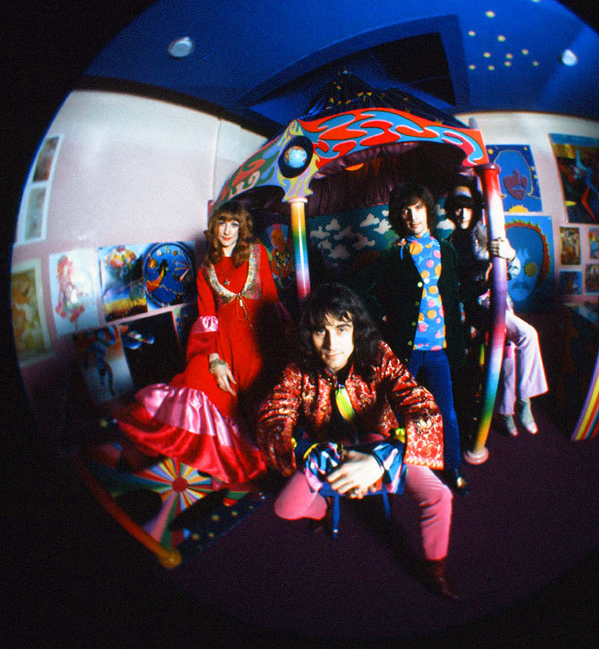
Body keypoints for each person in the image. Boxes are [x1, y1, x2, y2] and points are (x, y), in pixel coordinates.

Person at [255, 283, 458, 599]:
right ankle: (324, 510)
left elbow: (423, 407)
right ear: (308, 333)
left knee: (440, 496)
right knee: (285, 508)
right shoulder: (299, 368)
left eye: (341, 328)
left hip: (384, 446)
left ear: (355, 328)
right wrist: (312, 452)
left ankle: (435, 569)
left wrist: (382, 458)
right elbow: (272, 417)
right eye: (320, 331)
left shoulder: (379, 355)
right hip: (328, 451)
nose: (332, 342)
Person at [115, 200, 289, 486]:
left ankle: (274, 462)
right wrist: (215, 360)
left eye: (234, 224)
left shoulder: (258, 253)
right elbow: (207, 316)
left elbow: (272, 301)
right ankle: (160, 448)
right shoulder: (205, 269)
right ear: (214, 227)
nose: (228, 230)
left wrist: (286, 342)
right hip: (222, 345)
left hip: (260, 340)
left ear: (242, 227)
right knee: (198, 384)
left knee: (264, 400)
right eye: (222, 223)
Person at [353, 183, 470, 496]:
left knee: (447, 412)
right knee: (393, 411)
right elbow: (361, 288)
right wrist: (382, 316)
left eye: (417, 207)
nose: (412, 215)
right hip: (406, 351)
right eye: (405, 210)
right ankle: (396, 465)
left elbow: (458, 292)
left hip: (439, 350)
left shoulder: (446, 250)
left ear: (427, 210)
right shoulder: (395, 254)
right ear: (399, 217)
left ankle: (453, 465)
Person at [445, 182, 548, 436]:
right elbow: (452, 286)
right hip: (477, 308)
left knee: (510, 355)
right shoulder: (448, 243)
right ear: (450, 211)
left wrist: (510, 255)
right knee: (526, 336)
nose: (462, 214)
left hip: (501, 303)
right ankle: (524, 400)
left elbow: (513, 271)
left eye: (467, 208)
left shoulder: (489, 234)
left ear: (475, 210)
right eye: (457, 209)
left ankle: (509, 411)